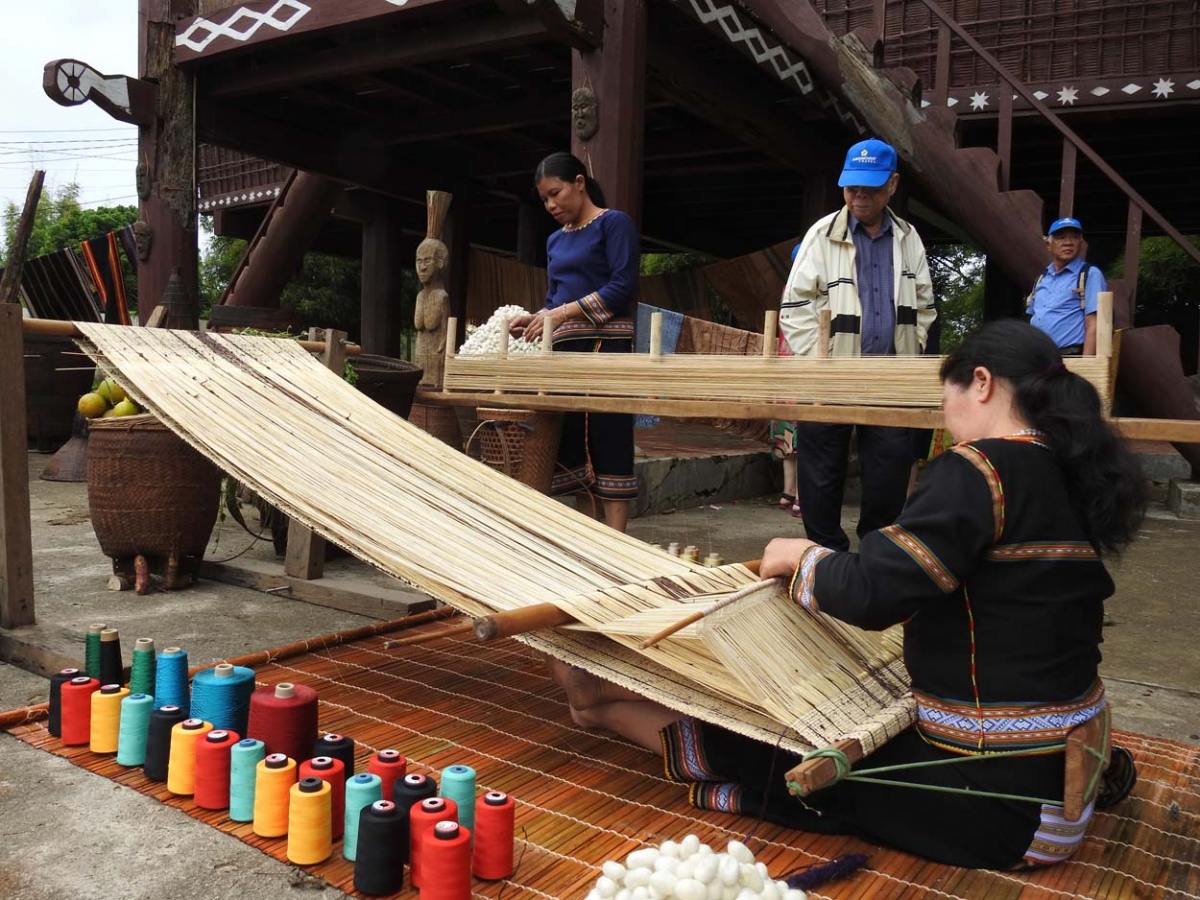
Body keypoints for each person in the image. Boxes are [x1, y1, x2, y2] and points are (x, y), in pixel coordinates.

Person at [549, 320, 1145, 870]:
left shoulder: (983, 469)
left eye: (948, 402)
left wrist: (800, 554)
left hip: (1000, 809)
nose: (947, 422)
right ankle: (599, 701)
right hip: (1066, 775)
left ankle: (597, 698)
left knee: (786, 764)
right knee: (840, 733)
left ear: (982, 383)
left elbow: (874, 591)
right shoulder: (1070, 473)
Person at [780, 138, 936, 551]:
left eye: (870, 187)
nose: (859, 196)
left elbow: (924, 306)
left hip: (889, 377)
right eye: (852, 187)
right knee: (821, 472)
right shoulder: (821, 234)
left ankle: (877, 554)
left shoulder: (908, 238)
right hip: (830, 377)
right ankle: (827, 552)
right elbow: (794, 307)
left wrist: (910, 349)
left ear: (893, 185)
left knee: (889, 470)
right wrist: (822, 361)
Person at [510, 153, 638, 532]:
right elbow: (554, 301)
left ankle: (615, 541)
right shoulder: (553, 241)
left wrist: (560, 314)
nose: (551, 204)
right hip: (564, 351)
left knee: (608, 435)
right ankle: (588, 535)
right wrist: (535, 319)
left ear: (579, 182)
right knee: (571, 442)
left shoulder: (614, 224)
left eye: (556, 193)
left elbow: (622, 287)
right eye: (545, 199)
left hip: (606, 346)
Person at [1026, 217, 1107, 356]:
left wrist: (1086, 367)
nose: (1068, 243)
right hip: (1039, 358)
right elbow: (1034, 317)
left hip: (1069, 356)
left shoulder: (1090, 274)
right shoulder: (1042, 278)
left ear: (1080, 243)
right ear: (1048, 245)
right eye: (1061, 238)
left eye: (1074, 238)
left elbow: (1094, 324)